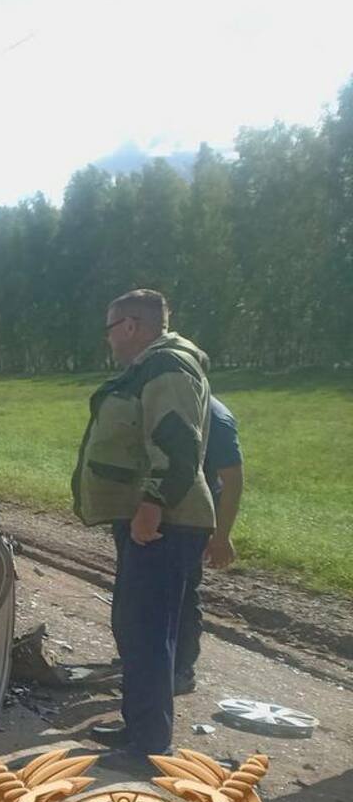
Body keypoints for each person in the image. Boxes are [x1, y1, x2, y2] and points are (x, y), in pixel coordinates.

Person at [72, 289, 214, 757]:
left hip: (165, 520)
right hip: (150, 518)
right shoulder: (149, 366)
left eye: (111, 328)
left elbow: (177, 444)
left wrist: (152, 505)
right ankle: (138, 727)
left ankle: (149, 746)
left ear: (131, 326)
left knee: (148, 631)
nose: (109, 339)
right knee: (134, 626)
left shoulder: (168, 366)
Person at [173, 395, 244, 694]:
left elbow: (233, 478)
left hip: (194, 517)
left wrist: (221, 536)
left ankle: (180, 670)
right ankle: (149, 659)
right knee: (148, 592)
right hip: (165, 512)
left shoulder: (215, 416)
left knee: (182, 593)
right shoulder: (173, 399)